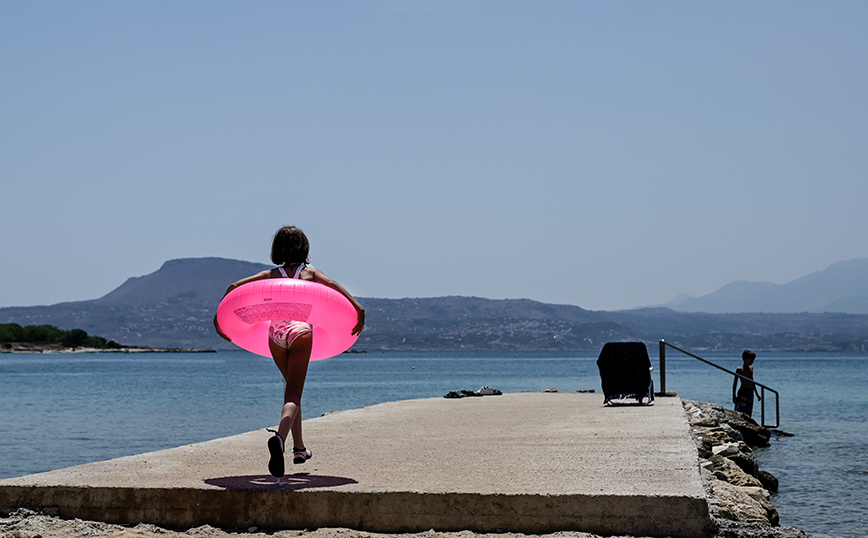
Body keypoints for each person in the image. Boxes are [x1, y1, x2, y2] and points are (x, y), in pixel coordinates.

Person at [214, 226, 365, 478]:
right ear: (304, 248)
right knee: (293, 395)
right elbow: (337, 289)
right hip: (300, 331)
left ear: (278, 249)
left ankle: (299, 448)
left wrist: (220, 321)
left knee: (291, 393)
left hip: (276, 334)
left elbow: (233, 286)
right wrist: (359, 309)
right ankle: (280, 439)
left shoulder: (273, 273)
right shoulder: (310, 273)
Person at [733, 349, 761, 417]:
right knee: (740, 410)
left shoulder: (751, 368)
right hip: (743, 391)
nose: (752, 362)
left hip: (750, 392)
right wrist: (734, 395)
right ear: (745, 358)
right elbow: (735, 383)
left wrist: (757, 393)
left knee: (749, 410)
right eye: (751, 360)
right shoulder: (739, 369)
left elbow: (752, 381)